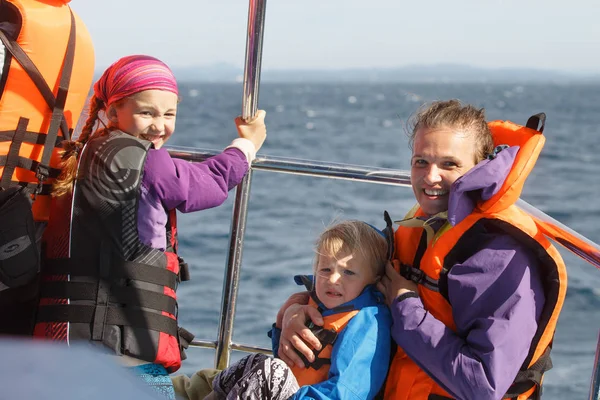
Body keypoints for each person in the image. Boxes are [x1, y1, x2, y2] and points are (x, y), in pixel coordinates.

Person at [276, 100, 567, 400]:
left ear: (481, 165)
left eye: (449, 164)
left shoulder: (500, 257)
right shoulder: (426, 224)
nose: (431, 177)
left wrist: (405, 305)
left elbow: (482, 384)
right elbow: (355, 274)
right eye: (421, 162)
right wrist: (297, 309)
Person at [32, 54, 267, 399]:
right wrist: (246, 145)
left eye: (169, 114)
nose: (159, 125)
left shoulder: (85, 152)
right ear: (113, 112)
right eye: (147, 113)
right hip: (122, 356)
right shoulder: (143, 160)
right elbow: (205, 184)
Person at [175, 219, 393, 400]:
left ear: (373, 279)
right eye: (325, 269)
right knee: (256, 363)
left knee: (269, 373)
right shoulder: (318, 305)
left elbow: (348, 391)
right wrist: (282, 328)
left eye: (348, 273)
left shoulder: (368, 321)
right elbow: (287, 357)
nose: (333, 279)